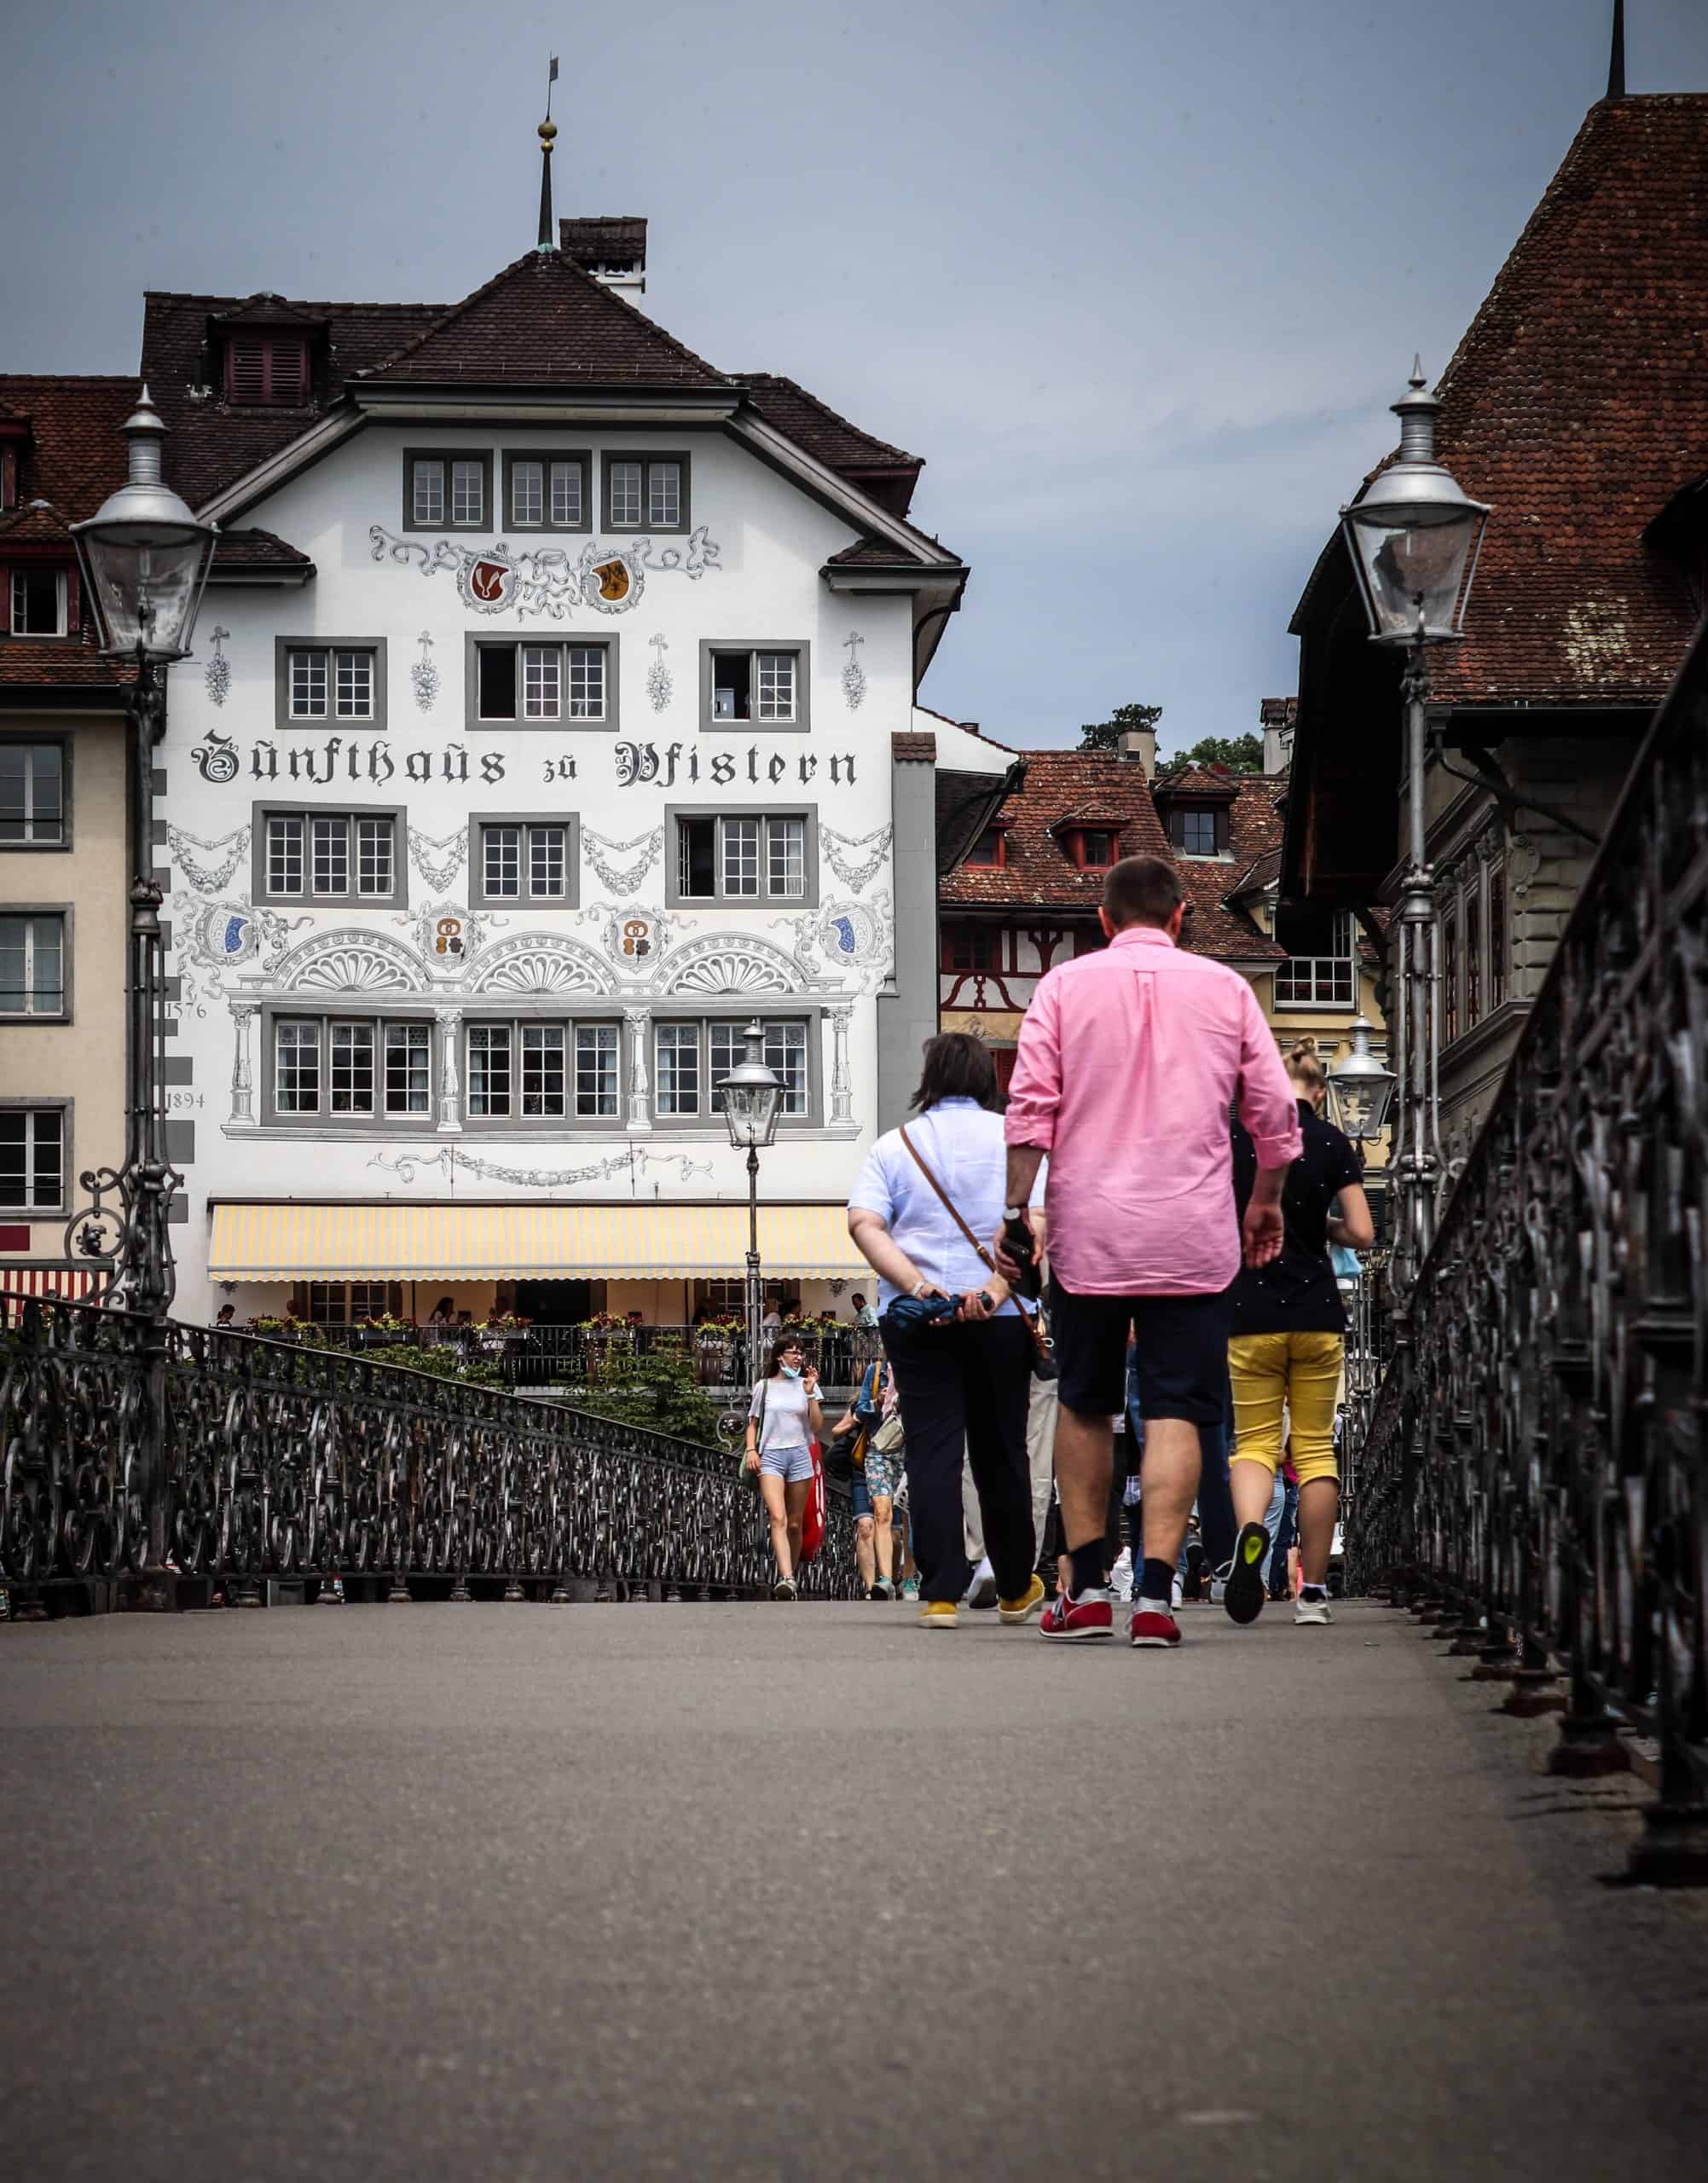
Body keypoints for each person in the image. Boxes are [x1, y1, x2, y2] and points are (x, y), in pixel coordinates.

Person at [999, 854, 1300, 1650]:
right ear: (1178, 917)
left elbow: (1029, 1110)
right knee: (1175, 1410)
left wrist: (1013, 1213)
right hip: (1192, 1234)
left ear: (1102, 920)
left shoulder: (1061, 988)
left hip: (1091, 1232)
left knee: (1085, 1404)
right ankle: (1158, 1598)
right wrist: (1264, 1200)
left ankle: (1087, 1590)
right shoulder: (1226, 989)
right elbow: (1273, 1111)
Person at [848, 1032, 1048, 1630]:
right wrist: (992, 1292)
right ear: (988, 1079)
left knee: (931, 1448)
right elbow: (1037, 1224)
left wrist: (919, 1286)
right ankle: (1014, 1586)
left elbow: (864, 1224)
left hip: (920, 1319)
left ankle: (939, 1592)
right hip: (1000, 1319)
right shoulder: (1014, 1143)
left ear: (928, 1080)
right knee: (1000, 1450)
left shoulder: (894, 1145)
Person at [1223, 1039, 1374, 1628]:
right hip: (1316, 1314)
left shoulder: (1238, 1137)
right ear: (1319, 1091)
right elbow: (1362, 1233)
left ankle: (1251, 1531)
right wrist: (1320, 1227)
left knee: (1254, 1445)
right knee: (1312, 1449)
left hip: (1250, 1312)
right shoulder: (1331, 1141)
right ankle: (1311, 1593)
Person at [744, 1333, 824, 1601]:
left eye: (801, 1352)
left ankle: (793, 1574)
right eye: (793, 1352)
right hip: (771, 1457)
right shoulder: (764, 1386)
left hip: (800, 1454)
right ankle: (786, 1577)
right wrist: (752, 1450)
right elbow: (752, 1423)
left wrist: (810, 1394)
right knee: (778, 1517)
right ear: (780, 1356)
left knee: (795, 1523)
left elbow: (817, 1426)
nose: (798, 1357)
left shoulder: (806, 1385)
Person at [832, 1356, 899, 1599]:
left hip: (906, 1455)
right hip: (869, 1460)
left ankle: (899, 1578)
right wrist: (876, 1403)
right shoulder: (875, 1374)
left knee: (897, 1532)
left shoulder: (919, 1368)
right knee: (869, 1524)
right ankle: (875, 1586)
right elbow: (843, 1426)